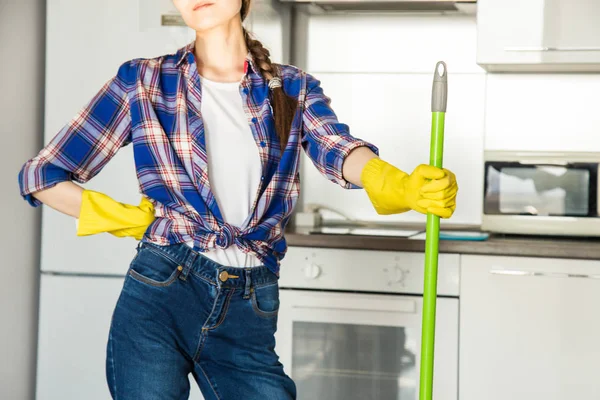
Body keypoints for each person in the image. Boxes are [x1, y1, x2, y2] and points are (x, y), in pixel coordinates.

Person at [17, 0, 458, 398]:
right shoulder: (144, 81)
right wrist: (121, 218)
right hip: (162, 288)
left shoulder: (292, 88)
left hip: (251, 302)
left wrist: (395, 182)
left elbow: (336, 149)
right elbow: (42, 175)